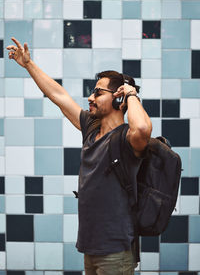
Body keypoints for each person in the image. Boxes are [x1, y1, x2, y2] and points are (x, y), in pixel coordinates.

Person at [7, 37, 152, 275]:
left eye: (97, 92)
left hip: (115, 252)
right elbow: (59, 96)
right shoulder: (91, 128)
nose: (90, 98)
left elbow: (144, 129)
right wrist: (28, 64)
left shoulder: (128, 139)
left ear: (118, 98)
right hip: (90, 248)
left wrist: (132, 95)